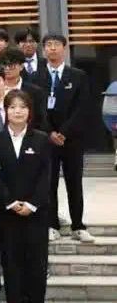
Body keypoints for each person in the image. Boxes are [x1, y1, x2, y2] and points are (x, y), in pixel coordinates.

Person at [0, 90, 51, 303]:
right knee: (12, 262)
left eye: (22, 107)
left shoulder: (41, 139)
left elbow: (46, 176)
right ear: (6, 111)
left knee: (37, 262)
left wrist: (32, 204)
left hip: (36, 212)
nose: (17, 111)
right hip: (7, 212)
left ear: (29, 111)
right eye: (12, 107)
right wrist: (10, 202)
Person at [33, 33, 95, 243]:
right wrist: (50, 132)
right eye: (48, 45)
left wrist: (64, 132)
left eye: (56, 45)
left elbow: (83, 107)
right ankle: (52, 224)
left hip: (72, 139)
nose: (52, 48)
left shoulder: (78, 75)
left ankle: (78, 225)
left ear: (65, 48)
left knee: (74, 182)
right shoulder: (36, 77)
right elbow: (37, 109)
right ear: (43, 50)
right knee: (48, 183)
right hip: (45, 138)